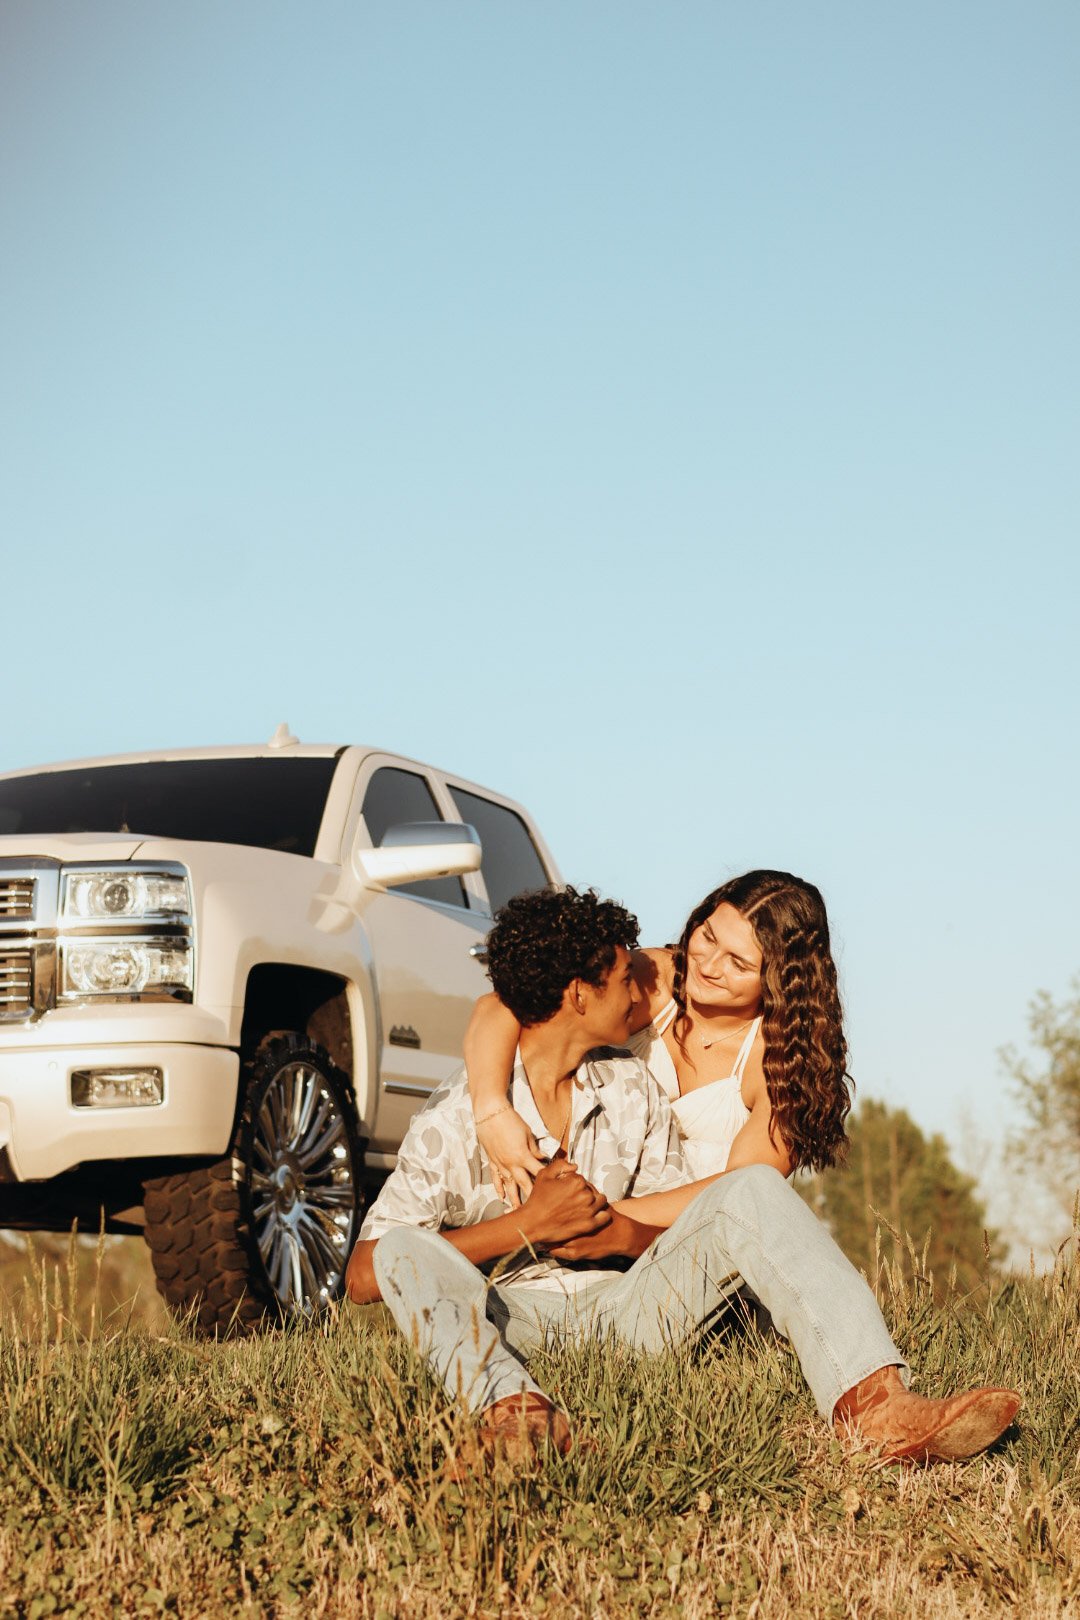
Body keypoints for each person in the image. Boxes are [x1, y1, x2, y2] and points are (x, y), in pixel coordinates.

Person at [346, 886, 1019, 1464]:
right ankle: (518, 1416)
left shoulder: (632, 1087)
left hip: (628, 1309)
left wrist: (612, 1231)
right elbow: (365, 1276)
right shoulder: (459, 1112)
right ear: (581, 994)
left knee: (750, 1187)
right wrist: (525, 1227)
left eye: (739, 961)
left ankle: (874, 1406)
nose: (649, 990)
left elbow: (674, 1234)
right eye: (628, 980)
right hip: (510, 1314)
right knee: (404, 1247)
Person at [465, 870, 851, 1201]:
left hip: (679, 1239)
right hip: (559, 1199)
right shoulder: (652, 978)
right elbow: (501, 1006)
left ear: (781, 979)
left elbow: (742, 1195)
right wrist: (491, 1111)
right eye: (709, 937)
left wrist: (597, 1220)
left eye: (738, 963)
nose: (709, 965)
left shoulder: (785, 1057)